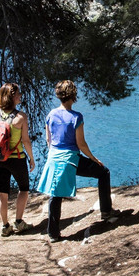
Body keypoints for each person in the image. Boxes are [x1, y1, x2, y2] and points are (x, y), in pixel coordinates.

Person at [37, 79, 117, 242]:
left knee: (55, 193)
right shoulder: (76, 117)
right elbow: (81, 144)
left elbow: (48, 140)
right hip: (70, 160)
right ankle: (106, 211)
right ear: (73, 95)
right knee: (103, 172)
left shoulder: (51, 114)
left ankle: (53, 233)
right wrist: (94, 159)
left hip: (54, 158)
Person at [0, 82, 36, 237]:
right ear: (12, 97)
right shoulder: (21, 117)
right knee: (23, 189)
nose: (20, 96)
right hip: (16, 159)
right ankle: (19, 222)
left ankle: (5, 226)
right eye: (18, 94)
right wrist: (31, 159)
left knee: (2, 192)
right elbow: (26, 141)